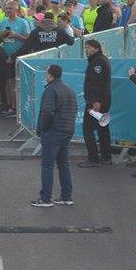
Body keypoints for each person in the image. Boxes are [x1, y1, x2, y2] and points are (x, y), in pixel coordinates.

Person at [32, 64, 76, 207]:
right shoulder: (69, 90)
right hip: (67, 130)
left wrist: (42, 129)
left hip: (53, 132)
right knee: (64, 164)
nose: (45, 76)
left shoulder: (50, 90)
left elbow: (47, 112)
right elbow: (74, 109)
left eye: (46, 74)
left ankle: (45, 199)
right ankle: (66, 196)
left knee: (47, 166)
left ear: (50, 75)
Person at [79, 39, 113, 168]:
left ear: (96, 48)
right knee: (102, 128)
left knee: (87, 128)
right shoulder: (100, 60)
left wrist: (95, 101)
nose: (86, 50)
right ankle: (106, 156)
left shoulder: (97, 62)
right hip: (102, 99)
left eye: (88, 47)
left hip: (96, 102)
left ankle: (93, 158)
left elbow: (97, 83)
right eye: (85, 47)